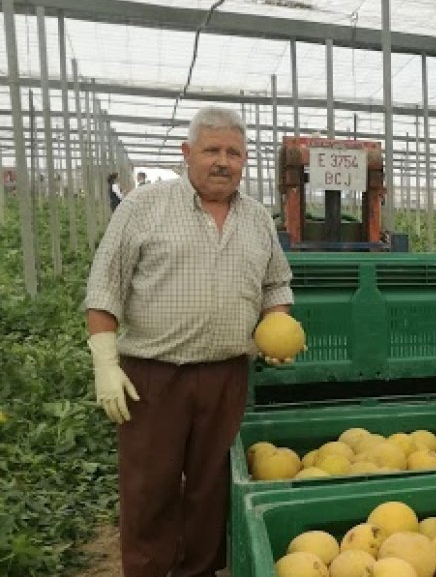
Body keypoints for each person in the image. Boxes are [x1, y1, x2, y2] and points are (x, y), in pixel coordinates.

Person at [84, 106, 294, 577]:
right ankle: (147, 569)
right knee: (149, 487)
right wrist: (105, 363)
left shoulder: (258, 219)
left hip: (226, 374)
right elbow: (104, 287)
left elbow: (276, 286)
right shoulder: (144, 207)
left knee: (211, 487)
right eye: (212, 150)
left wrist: (276, 325)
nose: (223, 161)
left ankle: (198, 571)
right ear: (186, 154)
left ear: (244, 161)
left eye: (233, 153)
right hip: (154, 376)